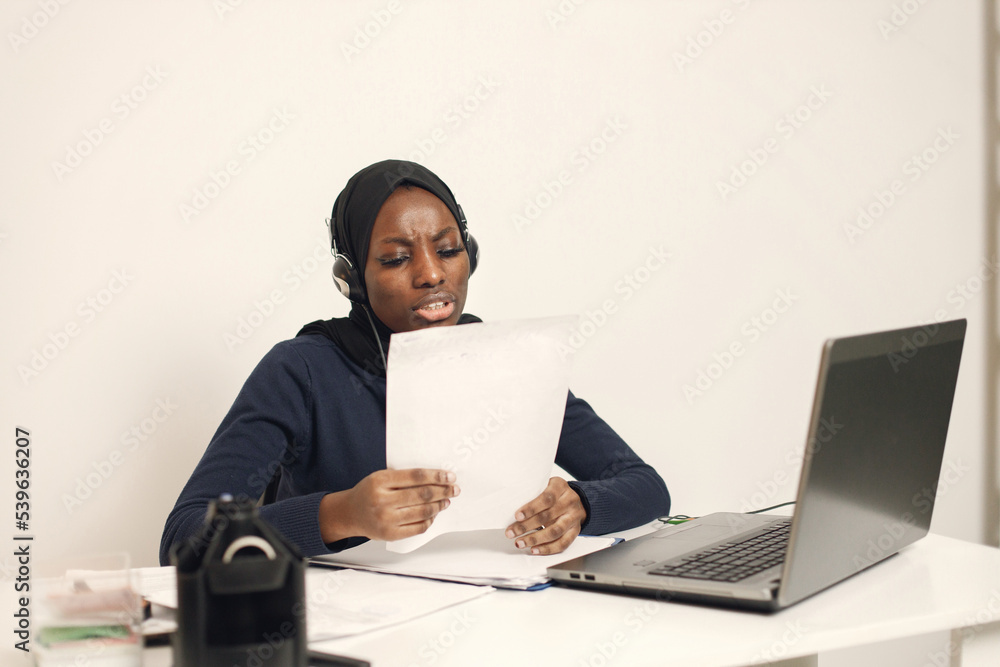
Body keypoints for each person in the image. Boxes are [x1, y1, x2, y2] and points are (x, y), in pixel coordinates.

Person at [159, 159, 669, 565]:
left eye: (447, 250)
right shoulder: (302, 371)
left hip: (497, 615)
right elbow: (184, 540)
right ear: (351, 279)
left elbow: (646, 486)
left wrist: (580, 504)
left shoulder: (509, 360)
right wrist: (341, 514)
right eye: (396, 258)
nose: (431, 274)